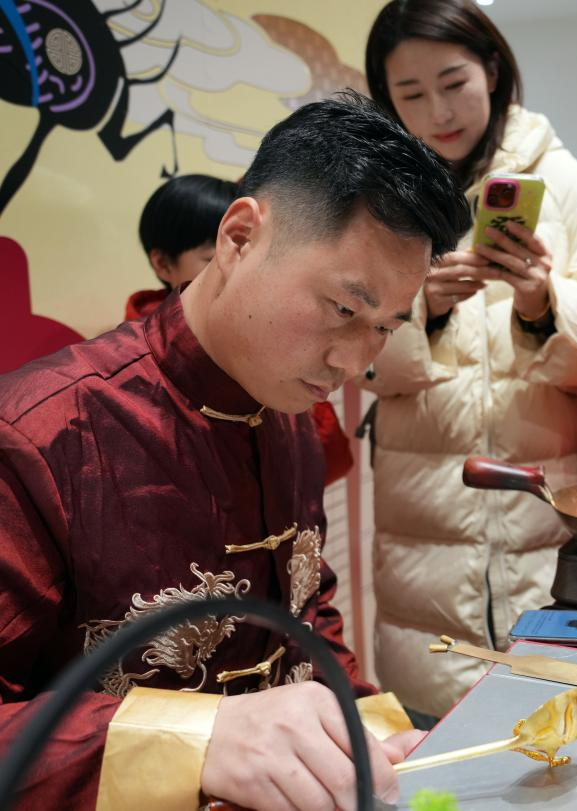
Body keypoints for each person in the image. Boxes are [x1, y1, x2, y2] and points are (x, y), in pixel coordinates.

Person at [0, 92, 471, 811]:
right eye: (344, 309)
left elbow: (307, 610)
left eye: (384, 327)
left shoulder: (288, 406)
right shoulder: (39, 435)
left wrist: (369, 731)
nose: (353, 361)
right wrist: (196, 740)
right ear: (241, 235)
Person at [363, 0, 577, 719]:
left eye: (453, 83)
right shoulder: (378, 196)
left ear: (492, 70)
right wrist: (421, 308)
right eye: (411, 94)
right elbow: (348, 345)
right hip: (421, 512)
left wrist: (542, 303)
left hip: (543, 502)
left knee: (551, 723)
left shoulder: (562, 178)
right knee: (428, 724)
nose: (439, 112)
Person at [130, 173, 355, 485]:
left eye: (246, 248)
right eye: (211, 257)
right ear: (163, 264)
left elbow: (328, 459)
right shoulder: (130, 368)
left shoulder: (270, 331)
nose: (234, 265)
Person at [127, 174, 238, 321]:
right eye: (214, 258)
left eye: (245, 256)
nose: (239, 271)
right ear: (163, 264)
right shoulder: (139, 334)